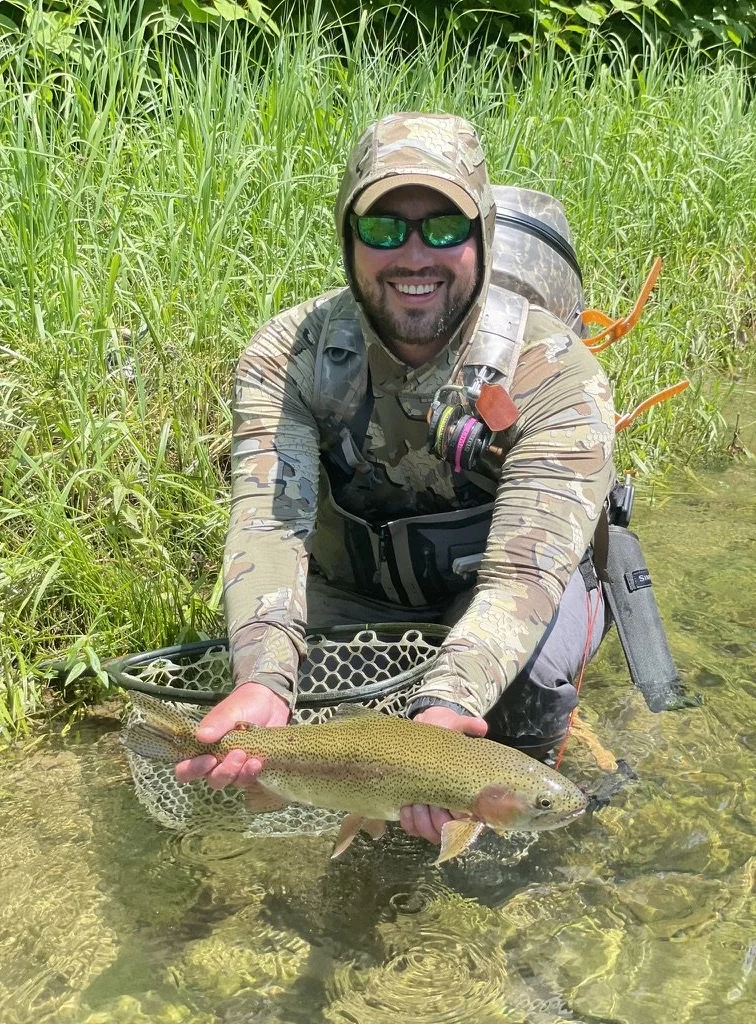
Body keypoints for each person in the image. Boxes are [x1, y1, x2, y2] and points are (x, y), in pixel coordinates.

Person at [176, 113, 615, 846]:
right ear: (349, 239)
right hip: (355, 588)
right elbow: (269, 526)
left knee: (525, 691)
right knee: (289, 703)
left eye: (444, 227)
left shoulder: (559, 375)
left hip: (503, 587)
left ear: (483, 235)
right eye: (384, 228)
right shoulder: (287, 355)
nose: (415, 254)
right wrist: (263, 676)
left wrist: (443, 718)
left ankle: (522, 846)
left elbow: (522, 575)